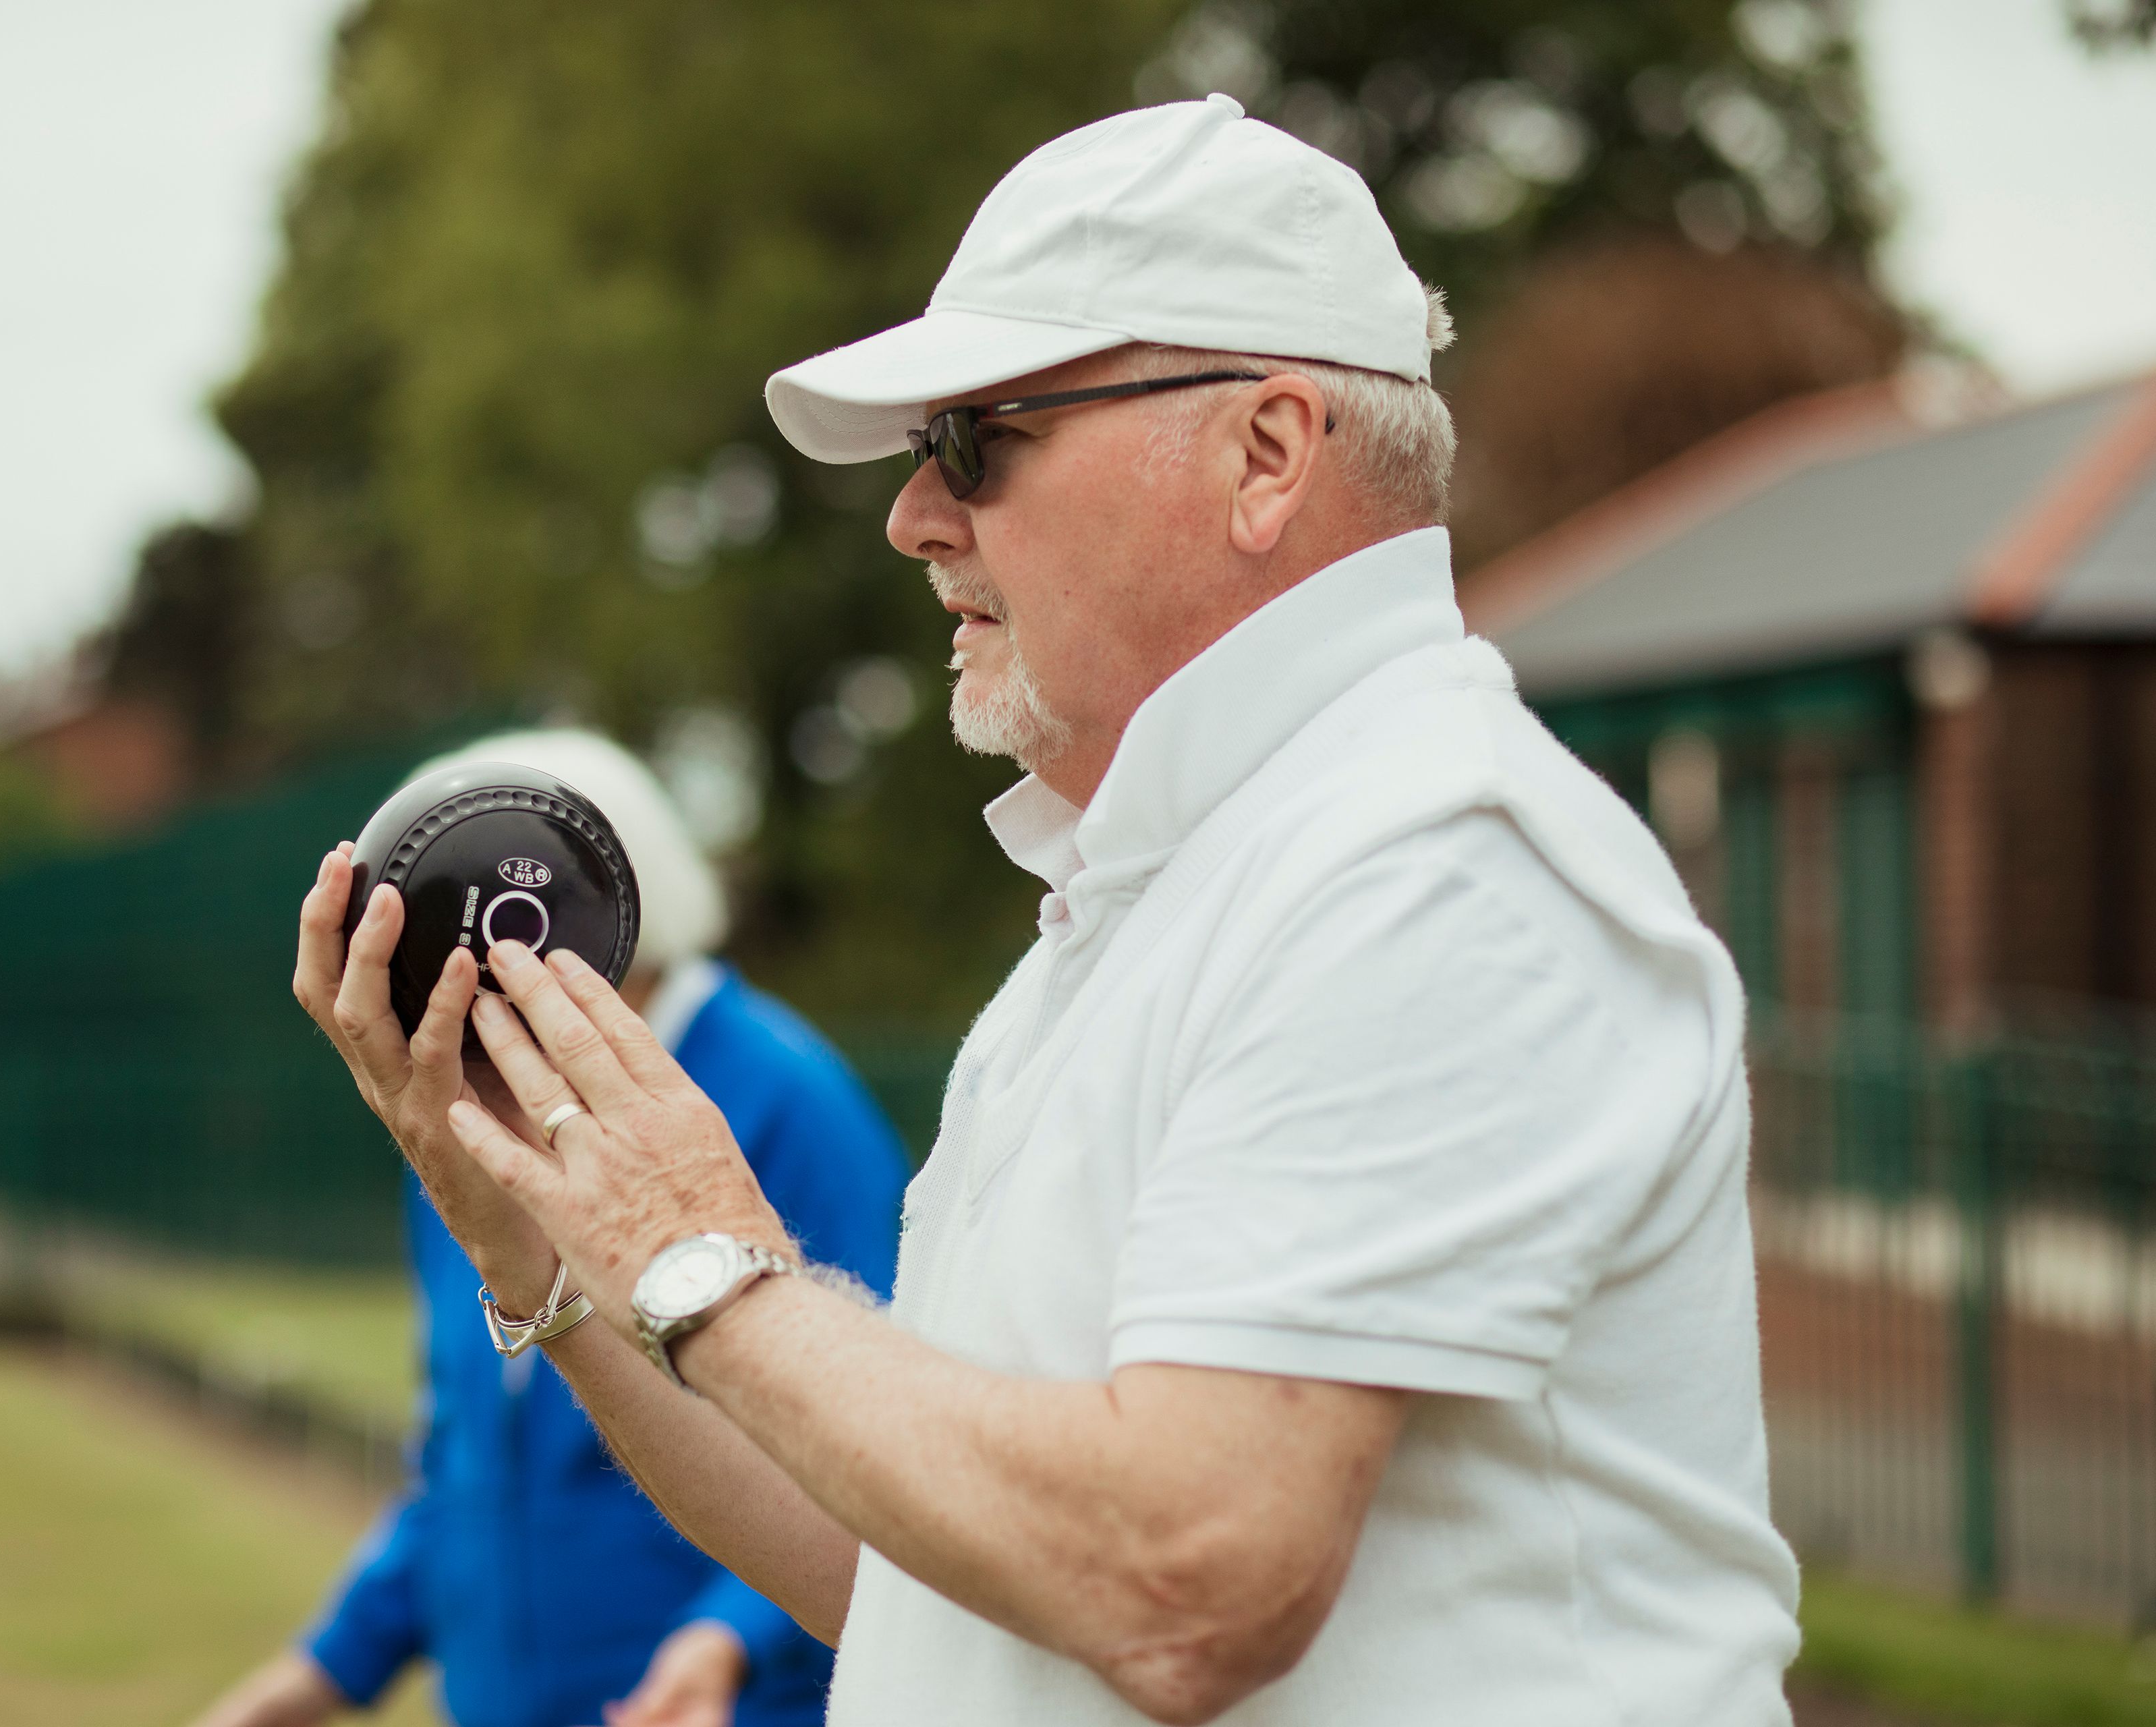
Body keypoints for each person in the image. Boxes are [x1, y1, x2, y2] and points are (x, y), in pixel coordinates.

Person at [293, 95, 1801, 1727]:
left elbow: (1183, 1577)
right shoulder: (1167, 886)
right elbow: (918, 1579)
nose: (914, 515)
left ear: (1267, 451)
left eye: (977, 438)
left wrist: (707, 1258)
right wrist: (549, 1243)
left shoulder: (1432, 859)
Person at [207, 730, 906, 1727]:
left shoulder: (784, 1097)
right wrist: (316, 1676)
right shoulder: (468, 1104)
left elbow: (874, 1441)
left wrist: (731, 1639)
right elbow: (464, 1457)